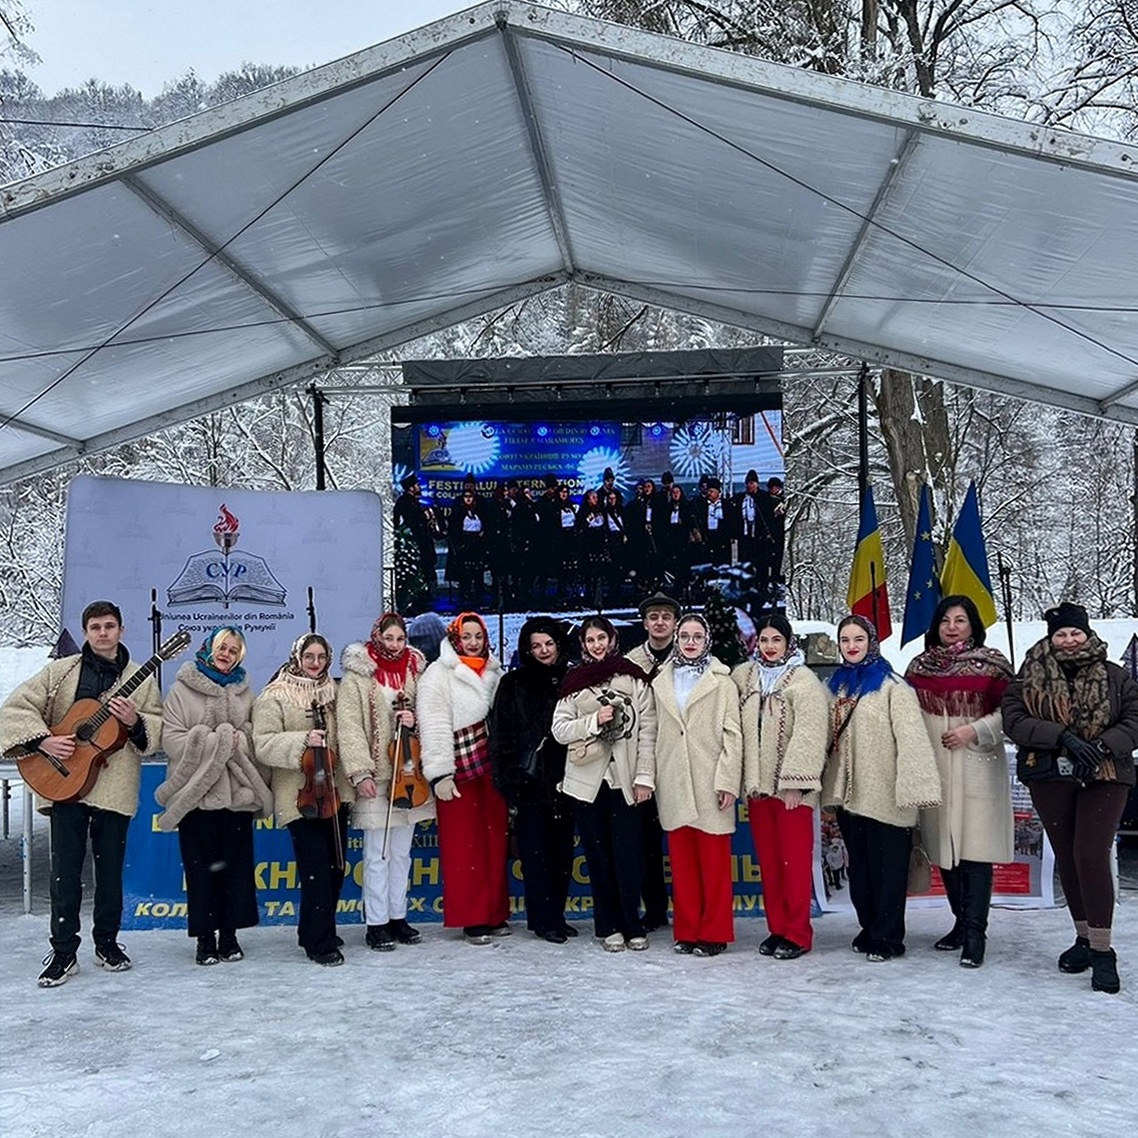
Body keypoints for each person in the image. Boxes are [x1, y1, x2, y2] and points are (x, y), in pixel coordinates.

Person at [1, 601, 164, 987]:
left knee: (109, 873)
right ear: (87, 632)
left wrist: (133, 721)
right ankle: (62, 952)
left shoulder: (141, 679)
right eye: (95, 627)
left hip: (114, 783)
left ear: (122, 630)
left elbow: (154, 730)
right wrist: (44, 741)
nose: (103, 633)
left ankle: (106, 943)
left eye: (110, 626)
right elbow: (14, 709)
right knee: (65, 874)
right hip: (65, 784)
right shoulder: (61, 671)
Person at [1003, 602, 1138, 994]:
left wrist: (1099, 747)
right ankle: (1084, 937)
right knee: (1067, 856)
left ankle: (1102, 952)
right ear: (1051, 638)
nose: (1068, 640)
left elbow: (1134, 717)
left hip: (1106, 774)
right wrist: (1062, 738)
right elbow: (1014, 718)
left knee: (1091, 853)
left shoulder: (1116, 676)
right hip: (1051, 775)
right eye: (1061, 634)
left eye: (1075, 633)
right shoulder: (1029, 676)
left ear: (1087, 633)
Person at [821, 615, 941, 962]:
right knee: (860, 866)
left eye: (858, 639)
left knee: (888, 869)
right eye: (845, 640)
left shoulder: (893, 686)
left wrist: (914, 788)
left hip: (888, 793)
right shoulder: (835, 686)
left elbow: (913, 741)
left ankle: (888, 936)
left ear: (871, 641)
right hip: (848, 794)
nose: (852, 646)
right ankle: (868, 926)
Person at [905, 595, 1014, 968]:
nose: (952, 627)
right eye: (945, 621)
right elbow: (905, 715)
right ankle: (959, 923)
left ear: (973, 626)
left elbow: (1010, 713)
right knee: (945, 852)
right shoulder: (919, 667)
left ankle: (975, 934)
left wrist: (975, 730)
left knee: (974, 853)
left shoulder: (994, 665)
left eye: (961, 620)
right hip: (934, 767)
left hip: (976, 764)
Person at [156, 627, 272, 966]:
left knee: (236, 870)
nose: (227, 654)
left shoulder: (245, 691)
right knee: (202, 870)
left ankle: (231, 936)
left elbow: (254, 736)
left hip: (237, 796)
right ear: (209, 649)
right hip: (197, 797)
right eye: (222, 647)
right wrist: (217, 741)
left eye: (234, 650)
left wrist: (242, 739)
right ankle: (206, 940)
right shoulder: (181, 689)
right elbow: (172, 740)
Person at [551, 616, 657, 952]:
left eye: (602, 638)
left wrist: (644, 777)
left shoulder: (633, 677)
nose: (597, 645)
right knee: (598, 857)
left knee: (628, 857)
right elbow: (559, 730)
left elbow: (648, 733)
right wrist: (592, 721)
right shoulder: (575, 681)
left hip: (625, 782)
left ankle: (632, 923)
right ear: (583, 644)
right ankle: (608, 925)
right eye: (590, 640)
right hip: (588, 784)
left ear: (612, 639)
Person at [252, 633, 354, 966]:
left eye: (321, 657)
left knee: (336, 866)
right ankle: (319, 943)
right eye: (309, 657)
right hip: (300, 795)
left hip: (335, 791)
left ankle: (315, 926)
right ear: (297, 657)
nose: (315, 664)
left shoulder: (334, 693)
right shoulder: (274, 696)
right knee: (315, 869)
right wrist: (302, 742)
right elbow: (263, 744)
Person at [734, 613, 829, 960]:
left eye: (777, 640)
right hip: (759, 789)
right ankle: (777, 928)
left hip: (791, 792)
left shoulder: (804, 682)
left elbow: (810, 735)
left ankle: (798, 933)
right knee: (771, 864)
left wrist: (796, 784)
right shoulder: (747, 678)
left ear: (789, 643)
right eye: (764, 640)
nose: (770, 647)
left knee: (793, 864)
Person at [337, 613, 432, 951]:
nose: (394, 645)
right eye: (388, 638)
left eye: (400, 639)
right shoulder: (358, 678)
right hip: (377, 777)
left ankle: (397, 916)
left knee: (402, 853)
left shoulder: (415, 673)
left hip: (408, 775)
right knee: (377, 854)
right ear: (377, 637)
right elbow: (349, 728)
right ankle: (376, 922)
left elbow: (431, 715)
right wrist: (361, 772)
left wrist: (414, 719)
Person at [652, 613, 742, 956]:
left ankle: (714, 932)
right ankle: (687, 930)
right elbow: (653, 731)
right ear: (676, 639)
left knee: (714, 865)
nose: (691, 642)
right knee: (683, 864)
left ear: (708, 641)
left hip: (710, 780)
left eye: (697, 636)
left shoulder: (722, 682)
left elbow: (733, 737)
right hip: (673, 778)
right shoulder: (662, 680)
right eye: (685, 636)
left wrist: (727, 781)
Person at [416, 612, 507, 944]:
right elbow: (434, 724)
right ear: (455, 638)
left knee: (493, 841)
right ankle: (472, 918)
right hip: (458, 771)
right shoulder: (437, 675)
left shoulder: (495, 672)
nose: (472, 642)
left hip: (492, 769)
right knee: (463, 847)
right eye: (466, 636)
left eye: (478, 637)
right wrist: (440, 773)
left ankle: (495, 912)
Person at [489, 617, 577, 944]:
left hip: (568, 781)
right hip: (529, 783)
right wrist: (509, 782)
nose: (543, 651)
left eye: (548, 644)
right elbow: (501, 735)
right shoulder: (514, 683)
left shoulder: (572, 679)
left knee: (562, 855)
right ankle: (544, 920)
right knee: (536, 856)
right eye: (536, 645)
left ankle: (557, 915)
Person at [625, 589, 682, 930]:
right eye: (654, 617)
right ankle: (655, 908)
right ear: (645, 623)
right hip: (643, 762)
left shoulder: (690, 657)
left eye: (666, 616)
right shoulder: (632, 663)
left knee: (682, 837)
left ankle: (689, 908)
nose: (660, 622)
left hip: (679, 759)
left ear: (675, 623)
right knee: (645, 843)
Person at [393, 475, 439, 602]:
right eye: (417, 486)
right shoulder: (405, 503)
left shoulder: (414, 502)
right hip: (415, 546)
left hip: (422, 544)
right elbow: (409, 523)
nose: (419, 488)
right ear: (411, 488)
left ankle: (428, 595)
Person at [448, 487, 488, 605]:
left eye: (470, 497)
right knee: (465, 574)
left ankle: (479, 595)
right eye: (466, 497)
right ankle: (465, 595)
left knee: (478, 572)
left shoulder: (478, 511)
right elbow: (454, 530)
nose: (468, 499)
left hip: (477, 544)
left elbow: (485, 524)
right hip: (465, 546)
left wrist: (482, 532)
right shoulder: (458, 512)